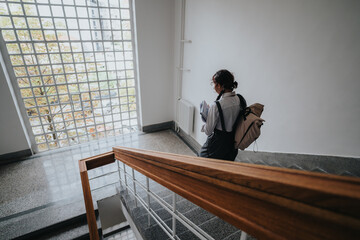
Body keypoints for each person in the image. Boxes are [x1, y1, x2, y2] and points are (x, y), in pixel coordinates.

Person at [199, 69, 246, 161]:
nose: (213, 87)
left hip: (217, 146)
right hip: (232, 145)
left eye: (214, 84)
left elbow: (208, 131)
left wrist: (205, 124)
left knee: (201, 159)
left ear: (219, 86)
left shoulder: (216, 105)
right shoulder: (240, 99)